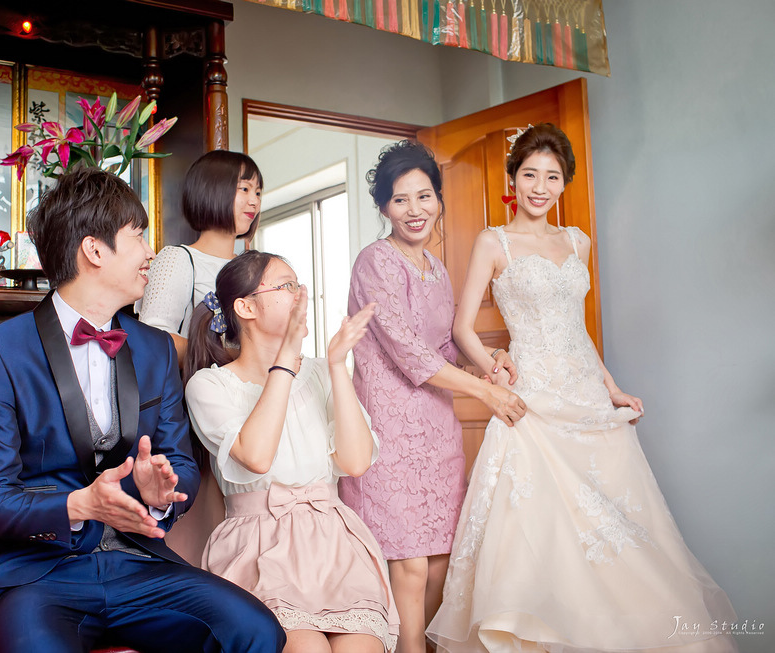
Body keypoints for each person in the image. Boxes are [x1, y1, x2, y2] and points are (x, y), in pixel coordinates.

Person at [426, 123, 736, 652]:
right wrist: (494, 368)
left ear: (565, 182)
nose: (540, 187)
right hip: (531, 401)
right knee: (543, 530)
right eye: (530, 175)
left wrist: (611, 388)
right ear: (512, 179)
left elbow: (577, 329)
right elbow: (461, 329)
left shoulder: (577, 241)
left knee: (616, 528)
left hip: (586, 397)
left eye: (552, 177)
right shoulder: (493, 241)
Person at [0, 168, 285, 653]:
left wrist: (161, 492)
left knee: (256, 630)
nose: (151, 253)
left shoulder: (154, 348)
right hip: (37, 573)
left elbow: (181, 463)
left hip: (137, 563)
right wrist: (78, 505)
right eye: (138, 237)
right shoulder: (0, 350)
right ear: (94, 250)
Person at [337, 140, 526, 653]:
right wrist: (485, 391)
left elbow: (442, 347)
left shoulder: (437, 270)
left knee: (442, 564)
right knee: (410, 567)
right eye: (400, 199)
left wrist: (490, 360)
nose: (414, 210)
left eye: (424, 196)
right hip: (387, 433)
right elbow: (410, 354)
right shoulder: (374, 263)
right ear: (383, 207)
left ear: (439, 200)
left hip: (437, 431)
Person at [185, 250, 400, 653]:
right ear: (246, 307)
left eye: (299, 284)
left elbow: (355, 462)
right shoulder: (210, 386)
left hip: (334, 544)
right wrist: (285, 358)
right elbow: (257, 457)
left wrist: (336, 366)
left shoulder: (320, 371)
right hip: (258, 548)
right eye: (286, 286)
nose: (300, 293)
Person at [137, 149, 262, 363]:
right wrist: (234, 356)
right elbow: (153, 342)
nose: (254, 201)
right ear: (212, 190)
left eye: (258, 193)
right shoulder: (177, 259)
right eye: (245, 189)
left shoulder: (255, 266)